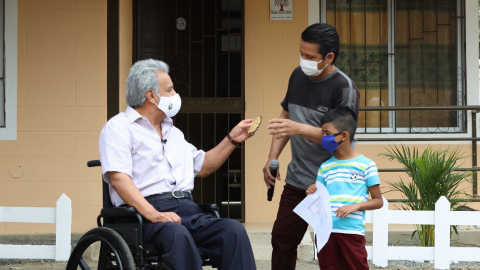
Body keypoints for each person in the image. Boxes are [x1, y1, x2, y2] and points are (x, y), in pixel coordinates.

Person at [99, 59, 257, 270]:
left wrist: (233, 139)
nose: (175, 94)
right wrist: (152, 213)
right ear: (151, 95)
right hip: (142, 215)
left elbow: (203, 166)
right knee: (177, 234)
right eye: (170, 89)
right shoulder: (118, 128)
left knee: (232, 230)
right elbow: (119, 178)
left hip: (187, 210)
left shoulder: (174, 132)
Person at [263, 23, 360, 269]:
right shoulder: (297, 75)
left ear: (329, 57)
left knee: (330, 251)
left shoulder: (343, 89)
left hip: (332, 186)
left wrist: (300, 129)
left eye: (310, 56)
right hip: (298, 180)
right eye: (301, 54)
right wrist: (271, 158)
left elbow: (340, 140)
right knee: (282, 240)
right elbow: (285, 117)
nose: (303, 60)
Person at [306, 106, 383, 270]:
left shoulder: (366, 165)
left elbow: (378, 201)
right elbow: (318, 199)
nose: (323, 137)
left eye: (327, 133)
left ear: (344, 135)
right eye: (322, 133)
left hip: (351, 233)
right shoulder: (324, 167)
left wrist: (357, 206)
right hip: (324, 233)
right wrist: (311, 192)